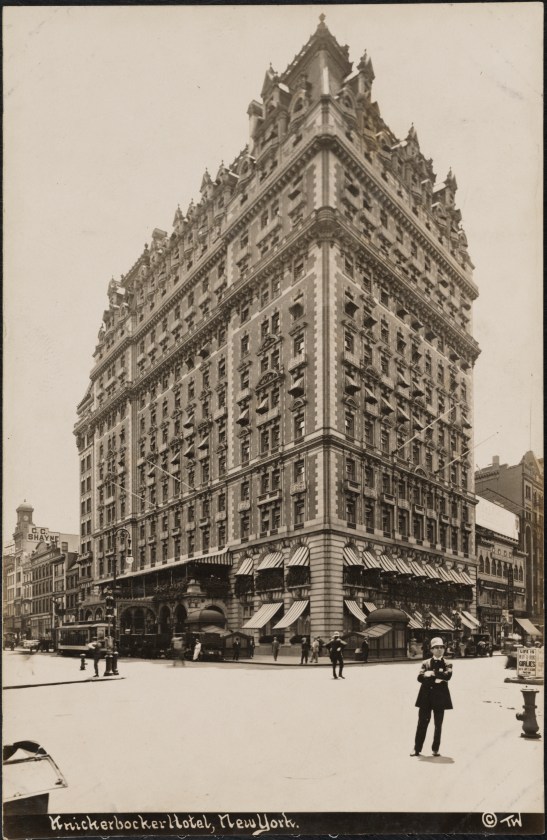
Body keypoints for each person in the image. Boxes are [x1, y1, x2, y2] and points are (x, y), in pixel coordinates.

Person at [411, 637, 453, 757]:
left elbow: (448, 676)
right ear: (432, 650)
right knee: (422, 723)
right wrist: (437, 678)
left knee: (438, 725)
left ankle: (435, 749)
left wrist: (432, 674)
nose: (439, 650)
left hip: (440, 698)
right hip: (426, 697)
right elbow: (420, 677)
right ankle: (417, 748)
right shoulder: (426, 663)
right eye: (436, 648)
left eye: (441, 647)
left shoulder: (448, 663)